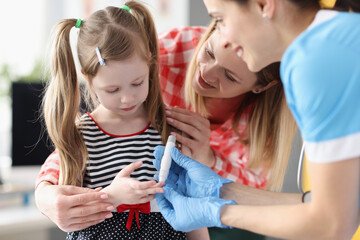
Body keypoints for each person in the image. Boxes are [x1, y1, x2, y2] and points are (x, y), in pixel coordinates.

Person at [35, 18, 296, 239]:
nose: (206, 71)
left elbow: (245, 190)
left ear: (260, 86)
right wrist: (45, 192)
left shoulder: (268, 117)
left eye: (230, 76)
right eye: (209, 53)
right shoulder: (160, 54)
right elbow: (66, 156)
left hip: (227, 215)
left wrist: (207, 160)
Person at [153, 0, 360, 239]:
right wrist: (223, 190)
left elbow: (332, 223)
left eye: (221, 19)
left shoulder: (315, 60)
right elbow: (337, 205)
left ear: (264, 4)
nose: (221, 36)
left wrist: (219, 212)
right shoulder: (338, 36)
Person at [38, 1, 209, 239]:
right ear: (88, 79)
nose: (127, 98)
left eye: (138, 83)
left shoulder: (170, 128)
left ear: (150, 64)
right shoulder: (81, 135)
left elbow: (191, 208)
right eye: (112, 89)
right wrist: (112, 197)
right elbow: (65, 205)